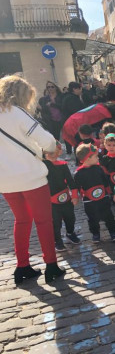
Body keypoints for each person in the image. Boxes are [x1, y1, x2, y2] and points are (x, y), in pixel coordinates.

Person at [0, 75, 65, 284]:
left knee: (22, 220)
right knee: (43, 220)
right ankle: (51, 266)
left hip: (5, 180)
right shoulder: (15, 112)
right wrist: (49, 151)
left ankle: (22, 266)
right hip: (30, 176)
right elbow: (46, 140)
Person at [74, 143, 115, 244]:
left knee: (109, 216)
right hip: (89, 201)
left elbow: (105, 181)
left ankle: (113, 232)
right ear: (88, 158)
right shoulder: (78, 174)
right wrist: (75, 197)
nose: (98, 158)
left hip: (103, 198)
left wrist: (110, 192)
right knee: (92, 218)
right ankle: (95, 234)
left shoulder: (99, 169)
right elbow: (76, 187)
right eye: (95, 156)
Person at [43, 142, 80, 251]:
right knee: (55, 223)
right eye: (49, 151)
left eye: (54, 150)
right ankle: (57, 240)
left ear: (60, 151)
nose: (51, 153)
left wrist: (74, 196)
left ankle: (70, 233)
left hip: (65, 198)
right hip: (51, 201)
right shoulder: (42, 166)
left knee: (70, 218)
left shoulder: (63, 165)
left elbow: (70, 182)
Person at [62, 82, 85, 155]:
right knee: (77, 141)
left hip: (70, 122)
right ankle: (79, 158)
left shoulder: (69, 97)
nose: (81, 90)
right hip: (73, 123)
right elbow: (76, 111)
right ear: (75, 89)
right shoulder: (72, 98)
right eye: (80, 89)